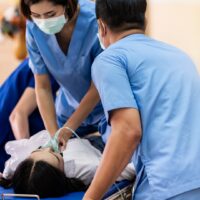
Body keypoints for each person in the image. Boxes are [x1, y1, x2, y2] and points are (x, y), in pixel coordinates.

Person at [83, 0, 200, 199]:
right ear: (144, 19)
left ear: (101, 25)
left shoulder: (110, 59)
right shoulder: (180, 56)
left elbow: (127, 132)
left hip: (164, 188)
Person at [19, 0, 104, 145]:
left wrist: (68, 129)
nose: (43, 21)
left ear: (67, 3)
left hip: (106, 107)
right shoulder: (34, 28)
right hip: (68, 109)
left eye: (50, 14)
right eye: (36, 15)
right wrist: (55, 136)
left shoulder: (95, 19)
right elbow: (43, 87)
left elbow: (98, 85)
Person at [0, 130, 135, 198]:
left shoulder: (24, 167)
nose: (49, 146)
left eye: (40, 148)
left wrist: (6, 177)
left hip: (81, 136)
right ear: (61, 175)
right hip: (100, 147)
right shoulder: (86, 170)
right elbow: (128, 170)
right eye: (57, 155)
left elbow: (12, 162)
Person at [0, 58, 59, 172]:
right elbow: (17, 115)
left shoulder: (36, 61)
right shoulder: (47, 66)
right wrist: (28, 158)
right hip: (6, 142)